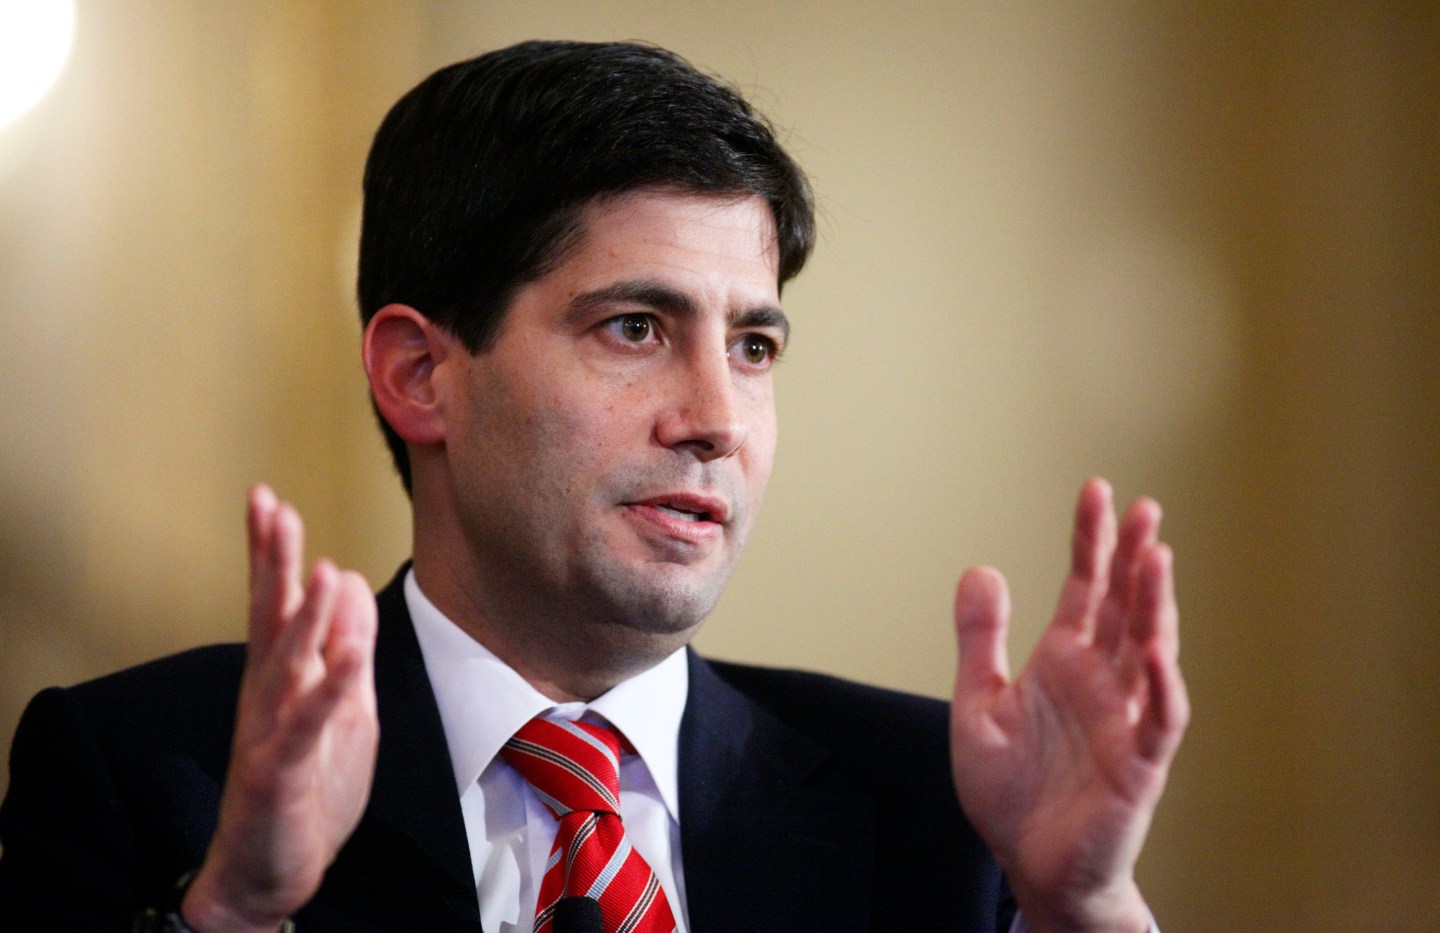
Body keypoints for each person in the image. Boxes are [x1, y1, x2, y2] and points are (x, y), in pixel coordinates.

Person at [0, 40, 1186, 932]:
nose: (717, 420)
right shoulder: (155, 773)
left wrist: (1087, 908)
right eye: (633, 328)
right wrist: (240, 914)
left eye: (755, 348)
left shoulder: (942, 807)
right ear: (421, 374)